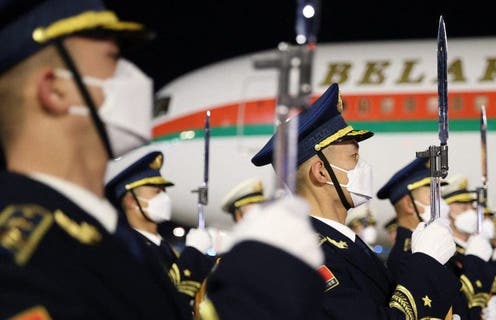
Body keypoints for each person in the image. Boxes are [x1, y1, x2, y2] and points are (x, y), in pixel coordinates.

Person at [0, 1, 324, 319]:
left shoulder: (104, 236)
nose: (135, 78)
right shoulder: (18, 257)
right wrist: (262, 289)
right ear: (55, 91)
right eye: (113, 60)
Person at [251, 83, 459, 319]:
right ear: (321, 172)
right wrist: (425, 262)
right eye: (354, 157)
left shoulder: (345, 244)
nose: (364, 168)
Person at [105, 150, 215, 311]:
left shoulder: (164, 247)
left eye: (164, 191)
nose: (164, 197)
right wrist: (193, 254)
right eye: (156, 191)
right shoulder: (124, 249)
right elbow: (159, 301)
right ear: (131, 201)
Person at [441, 174, 496, 320]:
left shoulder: (477, 248)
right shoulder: (446, 253)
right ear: (447, 212)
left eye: (471, 207)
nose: (470, 213)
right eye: (463, 207)